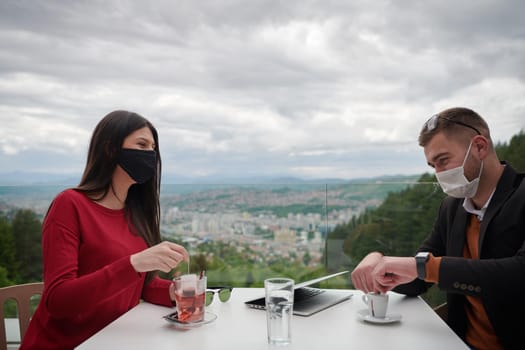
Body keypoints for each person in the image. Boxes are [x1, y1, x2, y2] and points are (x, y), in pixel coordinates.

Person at [351, 107, 525, 350]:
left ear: (480, 147)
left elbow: (518, 274)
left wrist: (424, 266)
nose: (439, 174)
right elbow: (418, 278)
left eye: (443, 161)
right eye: (433, 166)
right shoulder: (452, 208)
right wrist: (378, 261)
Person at [21, 111, 190, 350]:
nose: (150, 154)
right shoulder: (70, 204)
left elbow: (139, 285)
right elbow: (58, 300)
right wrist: (133, 263)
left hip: (116, 340)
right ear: (110, 148)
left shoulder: (137, 212)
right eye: (141, 145)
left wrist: (176, 292)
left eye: (153, 148)